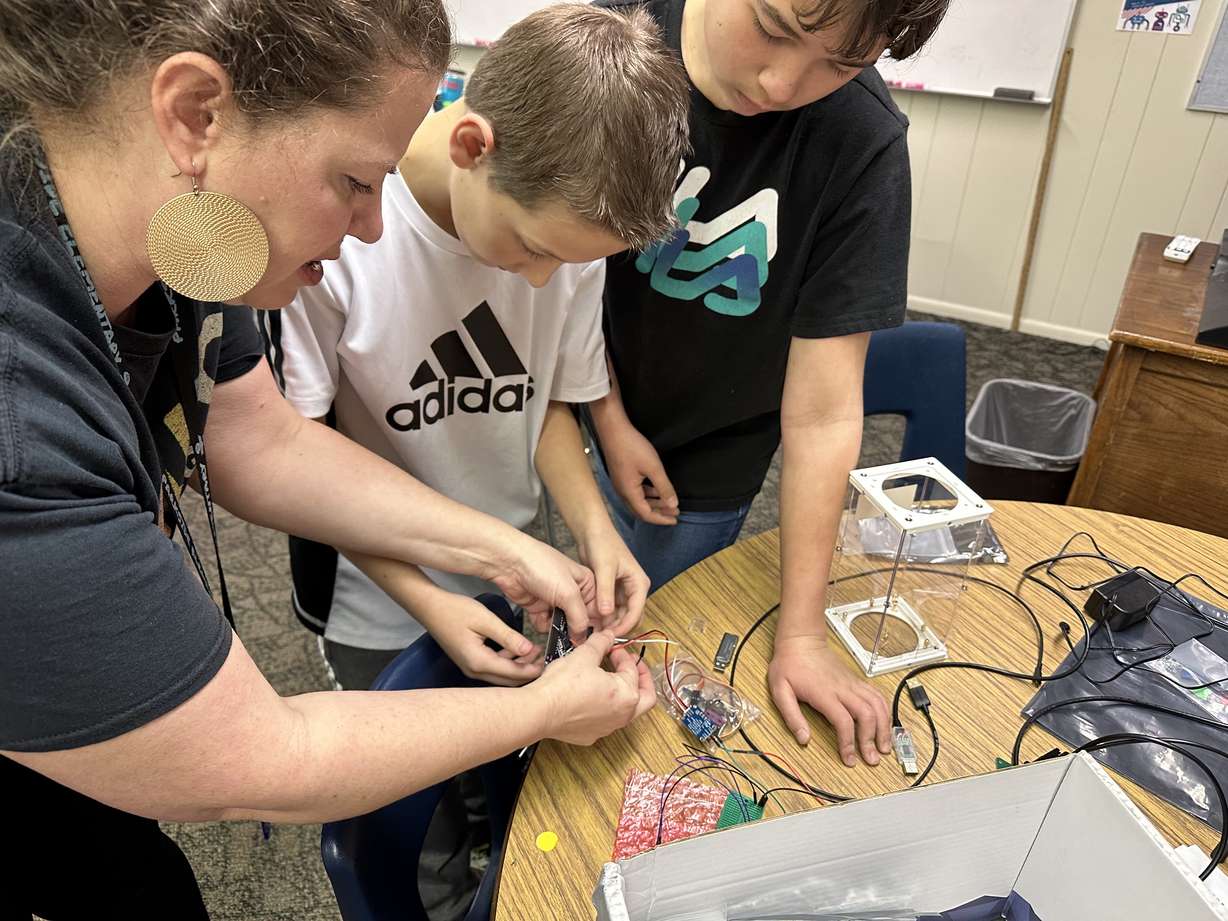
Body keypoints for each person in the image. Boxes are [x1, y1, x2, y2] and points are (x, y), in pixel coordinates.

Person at [0, 2, 656, 918]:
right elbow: (257, 760)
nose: (376, 228)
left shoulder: (189, 232)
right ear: (196, 113)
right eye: (354, 179)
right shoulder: (23, 436)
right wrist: (546, 709)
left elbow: (257, 438)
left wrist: (503, 553)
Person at [269, 3, 690, 693]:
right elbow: (298, 454)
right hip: (378, 593)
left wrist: (596, 530)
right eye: (534, 250)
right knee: (394, 775)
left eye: (572, 264)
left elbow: (542, 397)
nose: (543, 279)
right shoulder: (339, 239)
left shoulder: (570, 233)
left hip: (514, 567)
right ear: (471, 148)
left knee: (492, 764)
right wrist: (428, 600)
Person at [587, 0, 950, 770]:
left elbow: (822, 414)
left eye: (840, 64)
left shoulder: (860, 143)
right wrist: (608, 415)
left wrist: (804, 635)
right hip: (594, 388)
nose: (783, 83)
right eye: (776, 29)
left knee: (657, 661)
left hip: (718, 451)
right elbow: (555, 277)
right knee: (583, 601)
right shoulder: (614, 40)